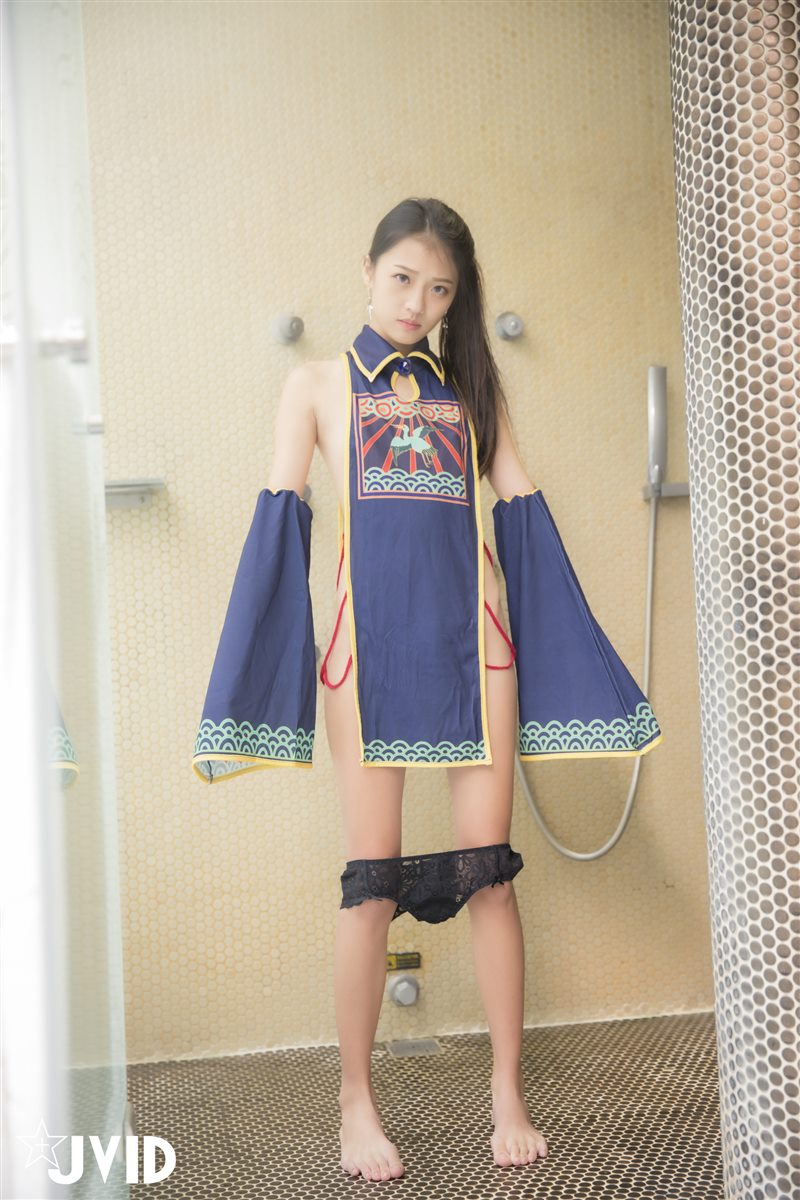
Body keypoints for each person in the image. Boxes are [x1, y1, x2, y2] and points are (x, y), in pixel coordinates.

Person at [191, 197, 663, 1181]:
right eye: (403, 278)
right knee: (370, 887)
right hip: (363, 659)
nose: (417, 302)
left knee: (490, 875)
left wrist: (579, 661)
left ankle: (507, 1092)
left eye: (440, 290)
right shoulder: (315, 385)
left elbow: (523, 519)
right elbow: (279, 528)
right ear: (367, 269)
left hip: (476, 652)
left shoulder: (472, 391)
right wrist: (246, 680)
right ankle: (354, 1102)